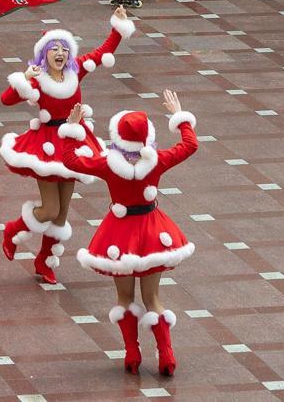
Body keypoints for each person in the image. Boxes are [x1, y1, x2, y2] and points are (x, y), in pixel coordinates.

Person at [59, 88, 197, 376]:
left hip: (119, 236)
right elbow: (189, 145)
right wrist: (180, 117)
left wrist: (72, 129)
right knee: (153, 297)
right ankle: (166, 354)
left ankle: (132, 353)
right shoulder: (157, 159)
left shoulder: (108, 164)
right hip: (152, 232)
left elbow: (71, 161)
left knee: (124, 298)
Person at [0, 8, 134, 285]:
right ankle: (13, 230)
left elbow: (102, 53)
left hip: (73, 142)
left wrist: (118, 27)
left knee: (61, 215)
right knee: (50, 209)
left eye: (64, 49)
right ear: (44, 53)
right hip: (46, 147)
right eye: (54, 49)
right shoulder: (37, 78)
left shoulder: (75, 71)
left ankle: (45, 261)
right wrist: (24, 77)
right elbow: (6, 99)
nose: (60, 53)